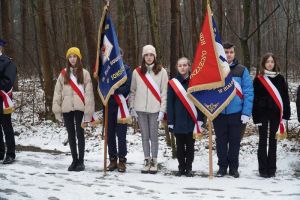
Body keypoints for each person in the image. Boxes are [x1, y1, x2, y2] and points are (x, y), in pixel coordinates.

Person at [213, 42, 254, 178]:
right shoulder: (216, 69)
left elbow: (248, 92)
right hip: (219, 113)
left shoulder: (242, 70)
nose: (229, 54)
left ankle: (234, 168)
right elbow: (209, 91)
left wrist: (246, 113)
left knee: (235, 142)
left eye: (231, 52)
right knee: (221, 142)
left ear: (234, 53)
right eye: (226, 52)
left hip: (237, 114)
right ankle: (222, 168)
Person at [52, 47, 95, 171]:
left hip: (80, 108)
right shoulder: (63, 74)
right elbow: (57, 92)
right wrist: (57, 109)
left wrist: (88, 111)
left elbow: (89, 93)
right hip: (67, 108)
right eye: (70, 56)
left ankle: (81, 161)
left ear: (79, 58)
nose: (72, 59)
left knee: (80, 134)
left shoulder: (85, 73)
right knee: (71, 134)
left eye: (74, 56)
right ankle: (74, 160)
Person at [129, 44, 168, 174]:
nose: (149, 57)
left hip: (155, 110)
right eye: (147, 55)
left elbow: (164, 93)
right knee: (145, 136)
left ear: (155, 56)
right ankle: (146, 159)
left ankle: (154, 160)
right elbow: (133, 91)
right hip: (140, 109)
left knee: (154, 136)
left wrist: (162, 110)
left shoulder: (162, 72)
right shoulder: (137, 72)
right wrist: (132, 107)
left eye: (151, 55)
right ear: (143, 56)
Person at [252, 53, 290, 178]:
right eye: (267, 61)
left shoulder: (280, 79)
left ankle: (272, 169)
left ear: (275, 63)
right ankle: (263, 169)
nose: (270, 64)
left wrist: (285, 115)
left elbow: (285, 98)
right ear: (264, 63)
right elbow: (254, 99)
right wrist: (255, 116)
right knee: (262, 141)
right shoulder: (258, 79)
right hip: (262, 113)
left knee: (273, 141)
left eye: (272, 62)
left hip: (275, 114)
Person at [167, 57, 204, 177]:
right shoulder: (173, 83)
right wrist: (170, 121)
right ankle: (181, 167)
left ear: (189, 66)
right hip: (178, 120)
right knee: (179, 147)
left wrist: (200, 120)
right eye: (180, 65)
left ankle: (188, 168)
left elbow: (200, 102)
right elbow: (170, 103)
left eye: (185, 65)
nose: (182, 67)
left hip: (191, 120)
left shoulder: (195, 81)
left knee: (190, 146)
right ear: (177, 67)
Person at [106, 49, 132, 173]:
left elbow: (127, 88)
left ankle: (122, 160)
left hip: (121, 106)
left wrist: (115, 91)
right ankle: (112, 159)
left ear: (122, 55)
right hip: (109, 106)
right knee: (110, 134)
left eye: (119, 55)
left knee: (121, 135)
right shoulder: (107, 69)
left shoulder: (127, 70)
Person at [0, 38, 17, 164]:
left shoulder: (8, 63)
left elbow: (8, 82)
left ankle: (10, 154)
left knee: (7, 127)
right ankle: (0, 152)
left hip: (3, 100)